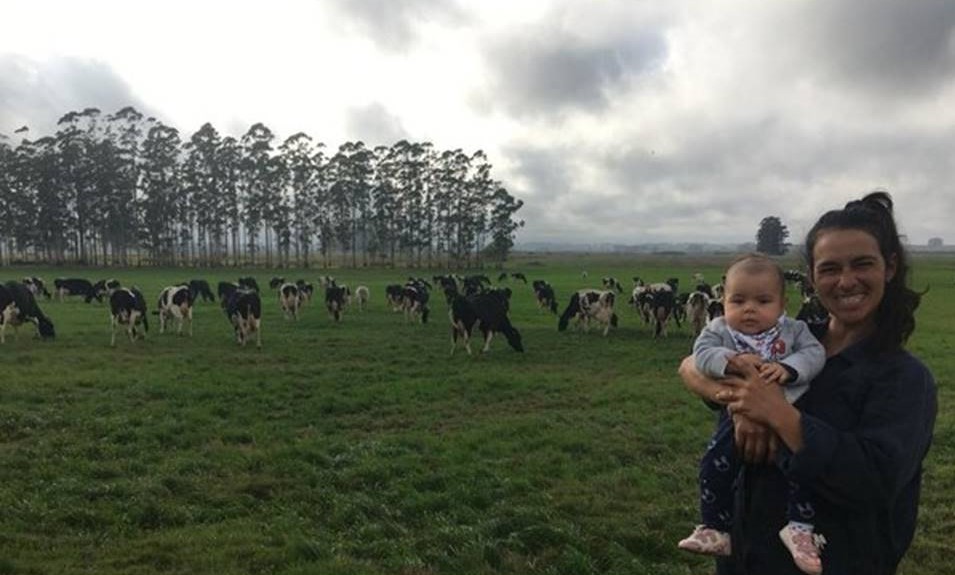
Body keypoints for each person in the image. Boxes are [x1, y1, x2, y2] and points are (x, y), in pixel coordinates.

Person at [679, 191, 937, 575]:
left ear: (890, 267)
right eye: (830, 268)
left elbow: (873, 482)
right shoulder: (790, 342)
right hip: (744, 555)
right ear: (813, 277)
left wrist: (780, 416)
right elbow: (691, 364)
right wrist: (740, 405)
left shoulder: (902, 378)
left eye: (862, 264)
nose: (846, 281)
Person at [678, 254, 826, 575]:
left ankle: (800, 528)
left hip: (787, 415)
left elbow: (815, 354)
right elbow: (698, 355)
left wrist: (788, 369)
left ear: (782, 303)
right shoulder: (720, 330)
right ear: (723, 299)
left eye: (762, 300)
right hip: (735, 417)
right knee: (715, 466)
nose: (749, 309)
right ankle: (716, 527)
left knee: (800, 471)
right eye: (738, 300)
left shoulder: (795, 330)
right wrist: (729, 361)